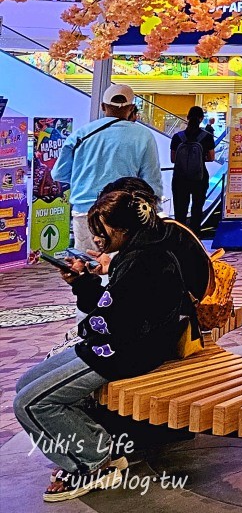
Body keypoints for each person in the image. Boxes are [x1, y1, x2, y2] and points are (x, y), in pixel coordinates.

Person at [15, 185, 188, 501]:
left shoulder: (144, 261)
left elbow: (110, 318)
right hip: (113, 344)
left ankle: (95, 462)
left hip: (125, 353)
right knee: (25, 384)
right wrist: (84, 281)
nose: (97, 239)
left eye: (101, 231)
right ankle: (91, 448)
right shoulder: (138, 252)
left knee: (29, 403)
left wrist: (86, 283)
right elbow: (111, 309)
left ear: (124, 228)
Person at [52, 83, 164, 251]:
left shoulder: (81, 134)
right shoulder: (144, 136)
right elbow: (151, 182)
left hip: (85, 213)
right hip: (122, 213)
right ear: (132, 108)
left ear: (103, 106)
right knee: (121, 270)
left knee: (86, 268)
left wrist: (85, 178)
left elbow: (59, 174)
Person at [170, 106, 216, 234]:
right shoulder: (206, 137)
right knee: (197, 209)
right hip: (199, 178)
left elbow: (173, 159)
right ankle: (195, 236)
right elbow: (211, 158)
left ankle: (179, 236)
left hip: (180, 178)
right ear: (201, 119)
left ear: (187, 118)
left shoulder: (177, 137)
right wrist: (199, 159)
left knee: (180, 210)